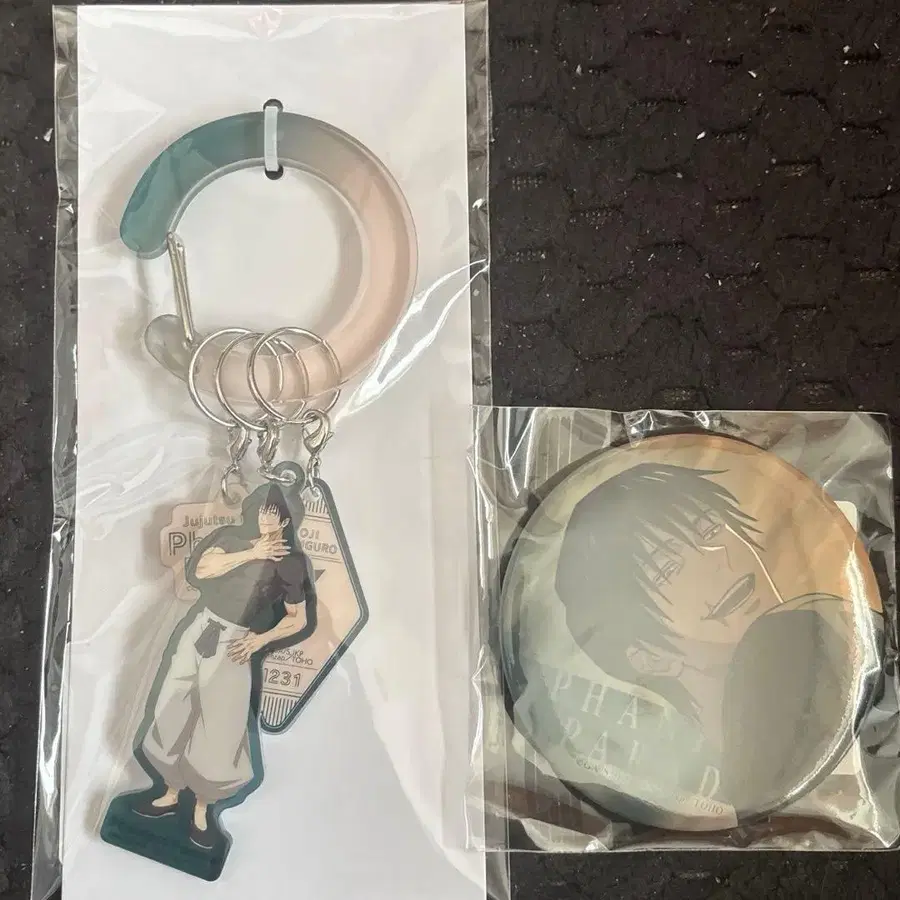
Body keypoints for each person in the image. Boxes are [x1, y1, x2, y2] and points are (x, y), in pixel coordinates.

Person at [554, 462, 856, 815]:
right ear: (649, 657)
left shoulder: (843, 632)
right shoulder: (684, 787)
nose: (719, 558)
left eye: (710, 529)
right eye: (667, 569)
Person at [130, 480, 318, 849]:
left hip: (236, 642)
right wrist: (253, 552)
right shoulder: (232, 538)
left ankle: (202, 808)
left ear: (285, 519)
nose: (266, 518)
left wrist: (259, 640)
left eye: (274, 513)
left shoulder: (292, 563)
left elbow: (298, 619)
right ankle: (170, 791)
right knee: (172, 704)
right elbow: (202, 569)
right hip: (200, 627)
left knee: (220, 725)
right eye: (263, 510)